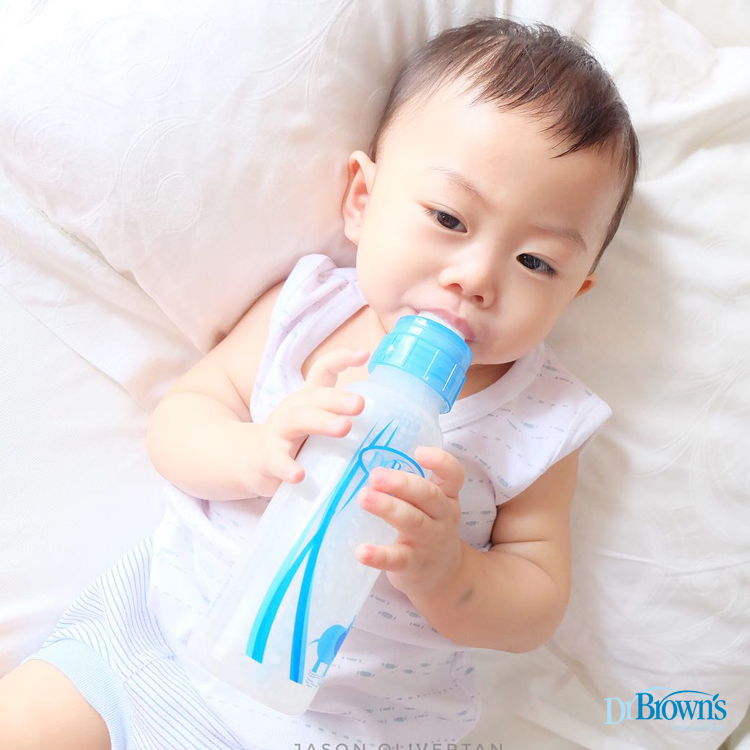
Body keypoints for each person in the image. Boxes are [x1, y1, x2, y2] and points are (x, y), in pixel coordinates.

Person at [0, 16, 640, 750]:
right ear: (362, 200)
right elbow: (182, 419)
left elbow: (536, 603)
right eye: (448, 217)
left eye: (535, 263)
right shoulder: (309, 312)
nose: (474, 278)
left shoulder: (541, 419)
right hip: (155, 634)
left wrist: (450, 572)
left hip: (333, 725)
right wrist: (254, 453)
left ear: (575, 291)